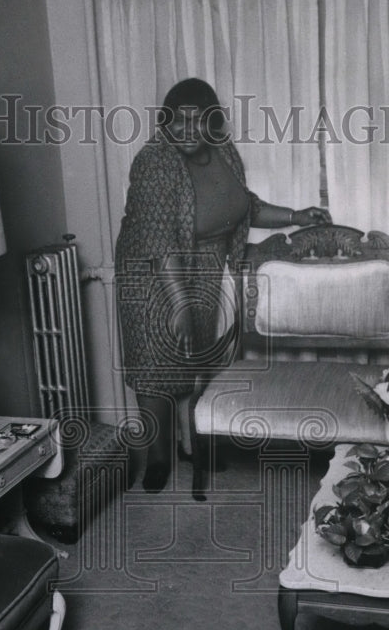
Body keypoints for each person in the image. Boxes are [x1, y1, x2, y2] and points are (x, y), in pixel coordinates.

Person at [115, 77, 331, 492]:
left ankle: (192, 445)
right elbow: (161, 243)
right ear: (165, 123)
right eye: (177, 122)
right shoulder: (153, 163)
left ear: (213, 123)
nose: (186, 131)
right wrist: (178, 304)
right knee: (155, 368)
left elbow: (243, 205)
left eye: (196, 121)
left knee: (195, 361)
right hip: (153, 274)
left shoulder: (224, 153)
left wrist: (296, 216)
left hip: (204, 267)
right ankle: (157, 460)